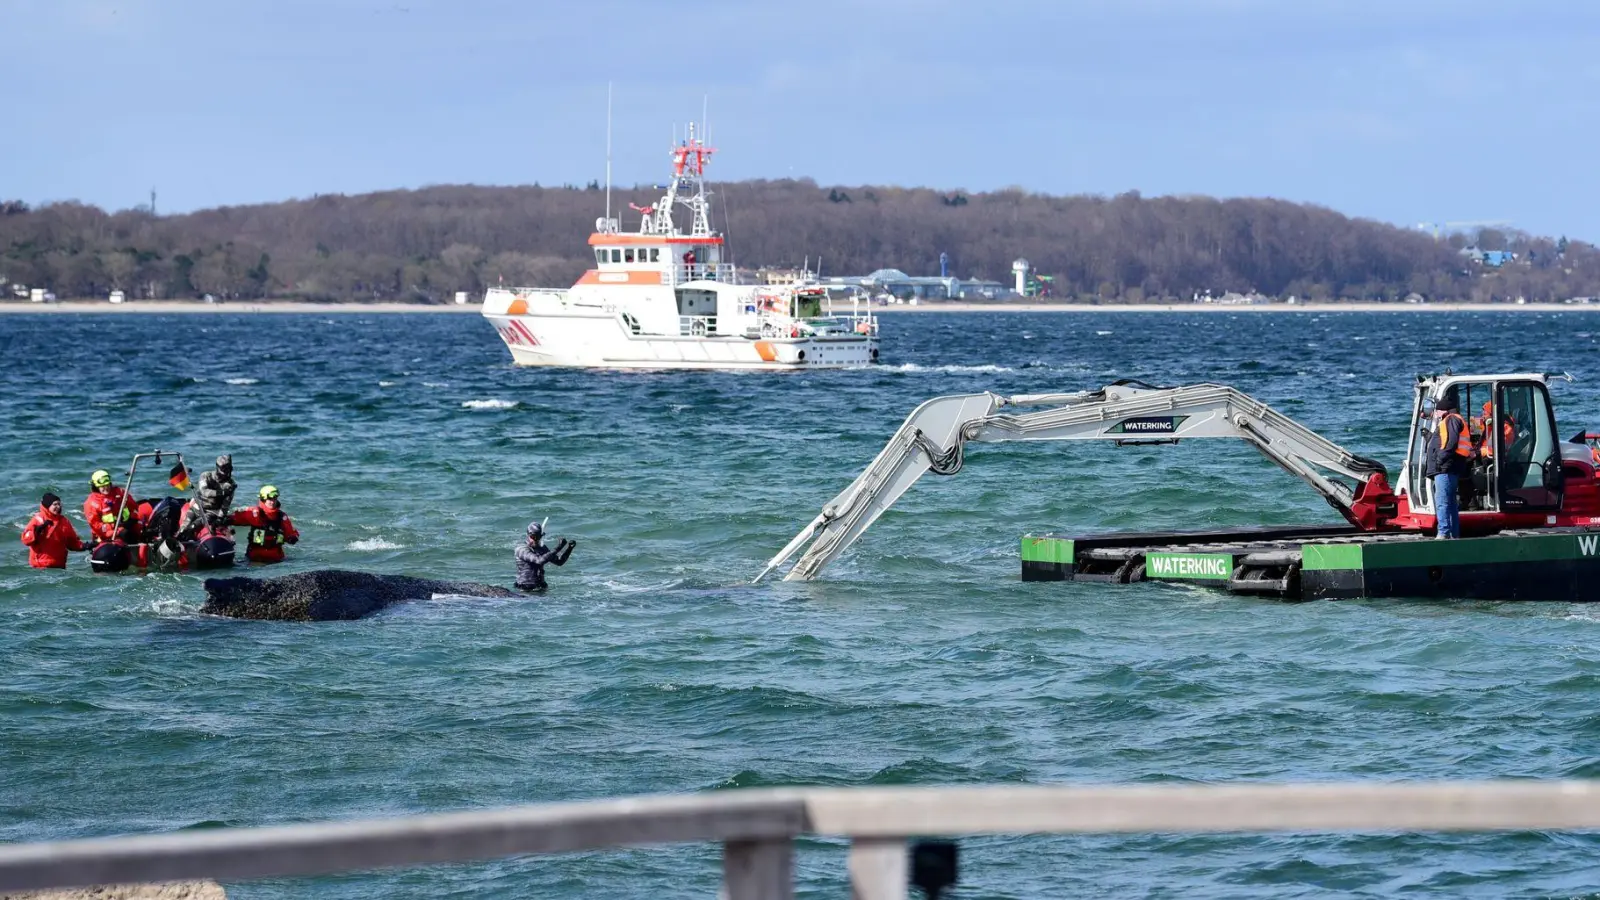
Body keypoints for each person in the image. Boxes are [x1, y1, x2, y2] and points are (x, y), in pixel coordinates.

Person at [1425, 390, 1472, 539]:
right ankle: (1453, 534)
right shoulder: (1453, 419)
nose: (1436, 413)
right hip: (1449, 467)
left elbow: (1449, 444)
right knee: (1450, 503)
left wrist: (1439, 461)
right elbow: (1444, 442)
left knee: (1443, 502)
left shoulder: (1450, 419)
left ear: (1442, 410)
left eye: (1437, 410)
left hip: (1445, 468)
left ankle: (1443, 532)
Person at [230, 485, 300, 563]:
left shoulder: (282, 516)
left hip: (276, 559)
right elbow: (235, 519)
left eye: (275, 499)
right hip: (255, 558)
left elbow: (290, 533)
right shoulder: (255, 513)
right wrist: (225, 520)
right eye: (270, 499)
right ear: (263, 499)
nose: (273, 502)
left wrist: (292, 538)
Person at [21, 493, 86, 569]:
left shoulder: (64, 521)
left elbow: (72, 543)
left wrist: (87, 546)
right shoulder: (37, 519)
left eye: (59, 504)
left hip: (59, 566)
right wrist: (38, 530)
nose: (58, 507)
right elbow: (26, 540)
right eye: (55, 504)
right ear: (47, 506)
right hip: (40, 567)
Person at [514, 520, 575, 591]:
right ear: (528, 535)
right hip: (525, 588)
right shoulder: (521, 549)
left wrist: (569, 548)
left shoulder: (542, 548)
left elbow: (559, 562)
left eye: (538, 537)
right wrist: (558, 548)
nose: (536, 540)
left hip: (541, 587)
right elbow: (539, 560)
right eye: (533, 537)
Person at [82, 469, 137, 544]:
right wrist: (115, 528)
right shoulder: (91, 503)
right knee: (126, 535)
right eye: (102, 486)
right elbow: (96, 525)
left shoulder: (119, 492)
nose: (106, 488)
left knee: (142, 531)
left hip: (126, 525)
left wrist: (133, 519)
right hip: (106, 533)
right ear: (96, 487)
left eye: (107, 485)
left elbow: (133, 507)